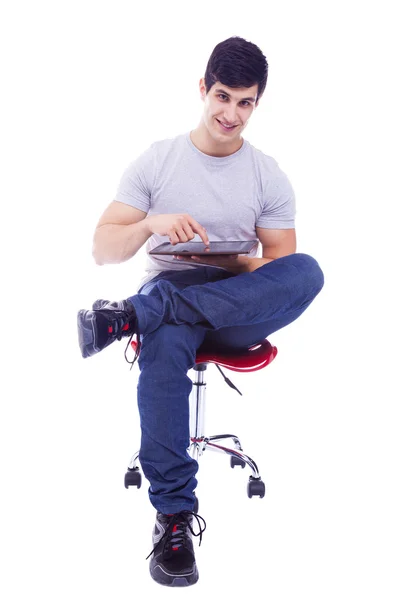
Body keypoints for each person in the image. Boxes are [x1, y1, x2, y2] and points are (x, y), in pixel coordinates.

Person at [77, 36, 324, 587]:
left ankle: (137, 314)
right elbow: (102, 249)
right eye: (222, 96)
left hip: (235, 304)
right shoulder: (158, 161)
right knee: (165, 348)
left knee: (309, 270)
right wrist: (150, 226)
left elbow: (279, 274)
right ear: (202, 88)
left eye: (245, 102)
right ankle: (173, 520)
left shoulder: (267, 174)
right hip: (172, 290)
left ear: (257, 103)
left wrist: (233, 259)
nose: (231, 113)